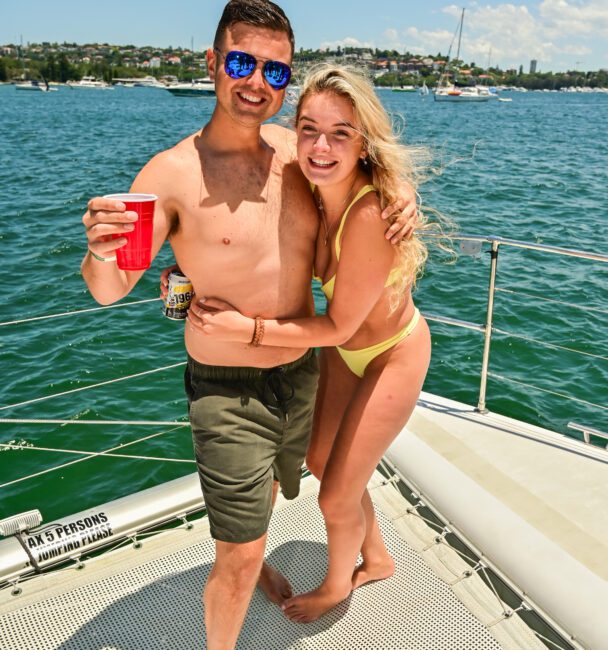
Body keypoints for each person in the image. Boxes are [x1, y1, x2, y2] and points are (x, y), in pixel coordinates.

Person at [81, 2, 415, 648]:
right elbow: (110, 287)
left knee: (289, 491)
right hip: (227, 390)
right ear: (212, 64)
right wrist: (100, 248)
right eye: (241, 62)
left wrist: (401, 198)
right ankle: (241, 579)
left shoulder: (298, 154)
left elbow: (361, 167)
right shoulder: (169, 176)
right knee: (233, 560)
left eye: (275, 70)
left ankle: (304, 556)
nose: (256, 82)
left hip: (304, 371)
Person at [185, 63, 450, 623]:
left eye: (340, 133)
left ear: (364, 141)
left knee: (334, 494)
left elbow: (338, 329)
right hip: (347, 352)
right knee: (320, 458)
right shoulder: (307, 177)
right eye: (309, 128)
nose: (320, 145)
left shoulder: (371, 211)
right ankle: (375, 555)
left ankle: (336, 585)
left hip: (391, 352)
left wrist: (247, 331)